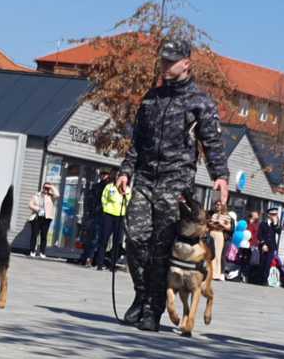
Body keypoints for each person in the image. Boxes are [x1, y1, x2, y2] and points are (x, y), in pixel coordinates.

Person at [115, 39, 229, 331]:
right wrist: (126, 170)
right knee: (136, 239)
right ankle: (141, 295)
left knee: (162, 245)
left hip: (175, 181)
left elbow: (213, 142)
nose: (165, 65)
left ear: (186, 63)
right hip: (145, 176)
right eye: (163, 60)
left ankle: (154, 306)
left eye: (171, 61)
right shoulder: (151, 98)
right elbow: (137, 141)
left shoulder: (199, 102)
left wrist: (220, 175)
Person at [90, 175, 129, 270]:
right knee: (104, 239)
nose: (120, 180)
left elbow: (128, 200)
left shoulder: (127, 189)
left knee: (117, 241)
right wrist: (106, 207)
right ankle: (100, 263)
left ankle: (112, 264)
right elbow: (105, 198)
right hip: (109, 214)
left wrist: (123, 190)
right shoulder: (110, 187)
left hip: (120, 216)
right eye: (119, 178)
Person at [77, 170, 110, 265]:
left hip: (104, 214)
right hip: (95, 215)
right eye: (102, 174)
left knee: (99, 239)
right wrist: (90, 211)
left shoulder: (109, 187)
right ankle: (87, 258)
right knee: (91, 237)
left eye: (105, 174)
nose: (103, 176)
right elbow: (89, 200)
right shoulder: (96, 186)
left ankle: (94, 259)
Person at [26, 182, 58, 258]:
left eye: (47, 188)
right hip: (37, 217)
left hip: (46, 218)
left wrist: (51, 186)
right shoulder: (37, 195)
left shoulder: (51, 196)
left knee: (44, 235)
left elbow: (57, 194)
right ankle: (32, 251)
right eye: (45, 188)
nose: (46, 190)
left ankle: (42, 252)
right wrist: (38, 209)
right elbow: (30, 204)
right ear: (42, 187)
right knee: (34, 235)